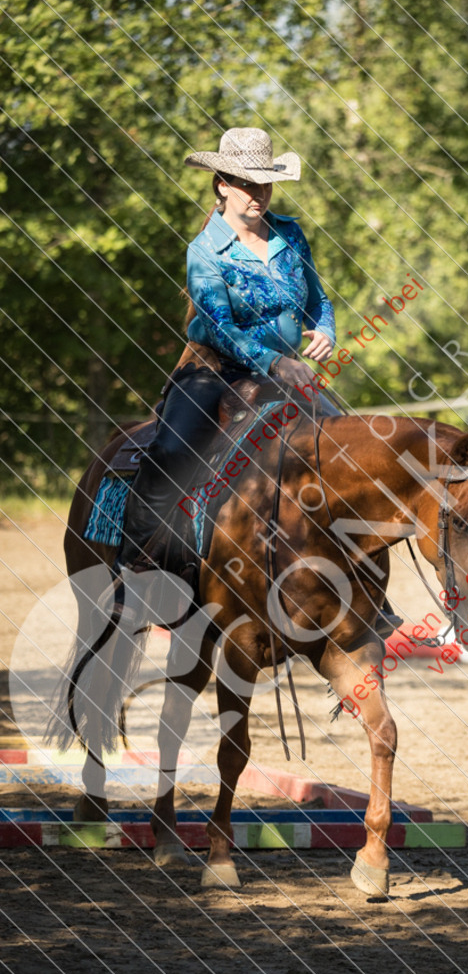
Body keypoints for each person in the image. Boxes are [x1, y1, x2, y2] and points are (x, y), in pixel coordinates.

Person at [112, 127, 400, 636]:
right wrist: (274, 362)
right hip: (216, 370)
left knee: (351, 455)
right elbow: (218, 327)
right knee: (175, 449)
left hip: (290, 373)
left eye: (264, 183)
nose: (258, 193)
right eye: (246, 183)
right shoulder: (205, 250)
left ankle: (366, 588)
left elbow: (318, 300)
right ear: (222, 184)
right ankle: (137, 566)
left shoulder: (289, 233)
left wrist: (326, 332)